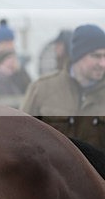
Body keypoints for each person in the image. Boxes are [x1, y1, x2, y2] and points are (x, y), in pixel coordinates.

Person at [22, 23, 105, 151]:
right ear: (78, 55)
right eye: (96, 56)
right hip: (50, 170)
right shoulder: (42, 89)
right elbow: (19, 135)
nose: (102, 63)